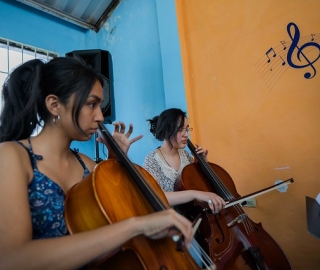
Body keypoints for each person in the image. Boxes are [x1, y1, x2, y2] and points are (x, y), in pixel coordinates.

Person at [0, 57, 196, 270]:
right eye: (91, 104)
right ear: (54, 105)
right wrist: (134, 227)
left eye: (100, 106)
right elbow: (12, 259)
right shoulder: (12, 156)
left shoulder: (86, 164)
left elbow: (127, 204)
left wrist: (116, 160)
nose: (100, 117)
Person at [143, 108, 226, 267]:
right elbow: (158, 196)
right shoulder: (152, 160)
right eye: (181, 130)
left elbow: (202, 187)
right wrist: (195, 193)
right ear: (168, 129)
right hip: (171, 227)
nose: (186, 134)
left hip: (196, 221)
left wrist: (203, 163)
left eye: (187, 129)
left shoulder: (187, 156)